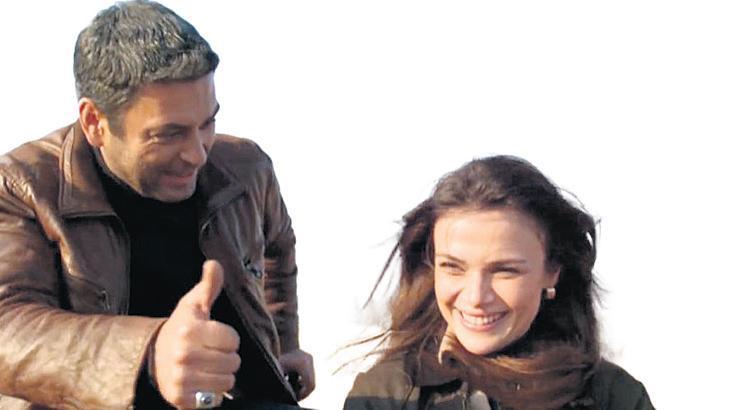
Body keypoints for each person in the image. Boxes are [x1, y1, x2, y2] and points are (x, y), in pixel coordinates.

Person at [0, 1, 314, 409]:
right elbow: (7, 329)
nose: (197, 154)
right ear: (94, 122)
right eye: (168, 134)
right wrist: (150, 354)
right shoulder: (23, 187)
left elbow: (278, 248)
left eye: (208, 123)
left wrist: (284, 342)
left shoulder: (246, 169)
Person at [344, 156, 654, 409]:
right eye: (453, 267)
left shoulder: (613, 397)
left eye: (504, 271)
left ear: (552, 270)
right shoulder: (386, 395)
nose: (476, 297)